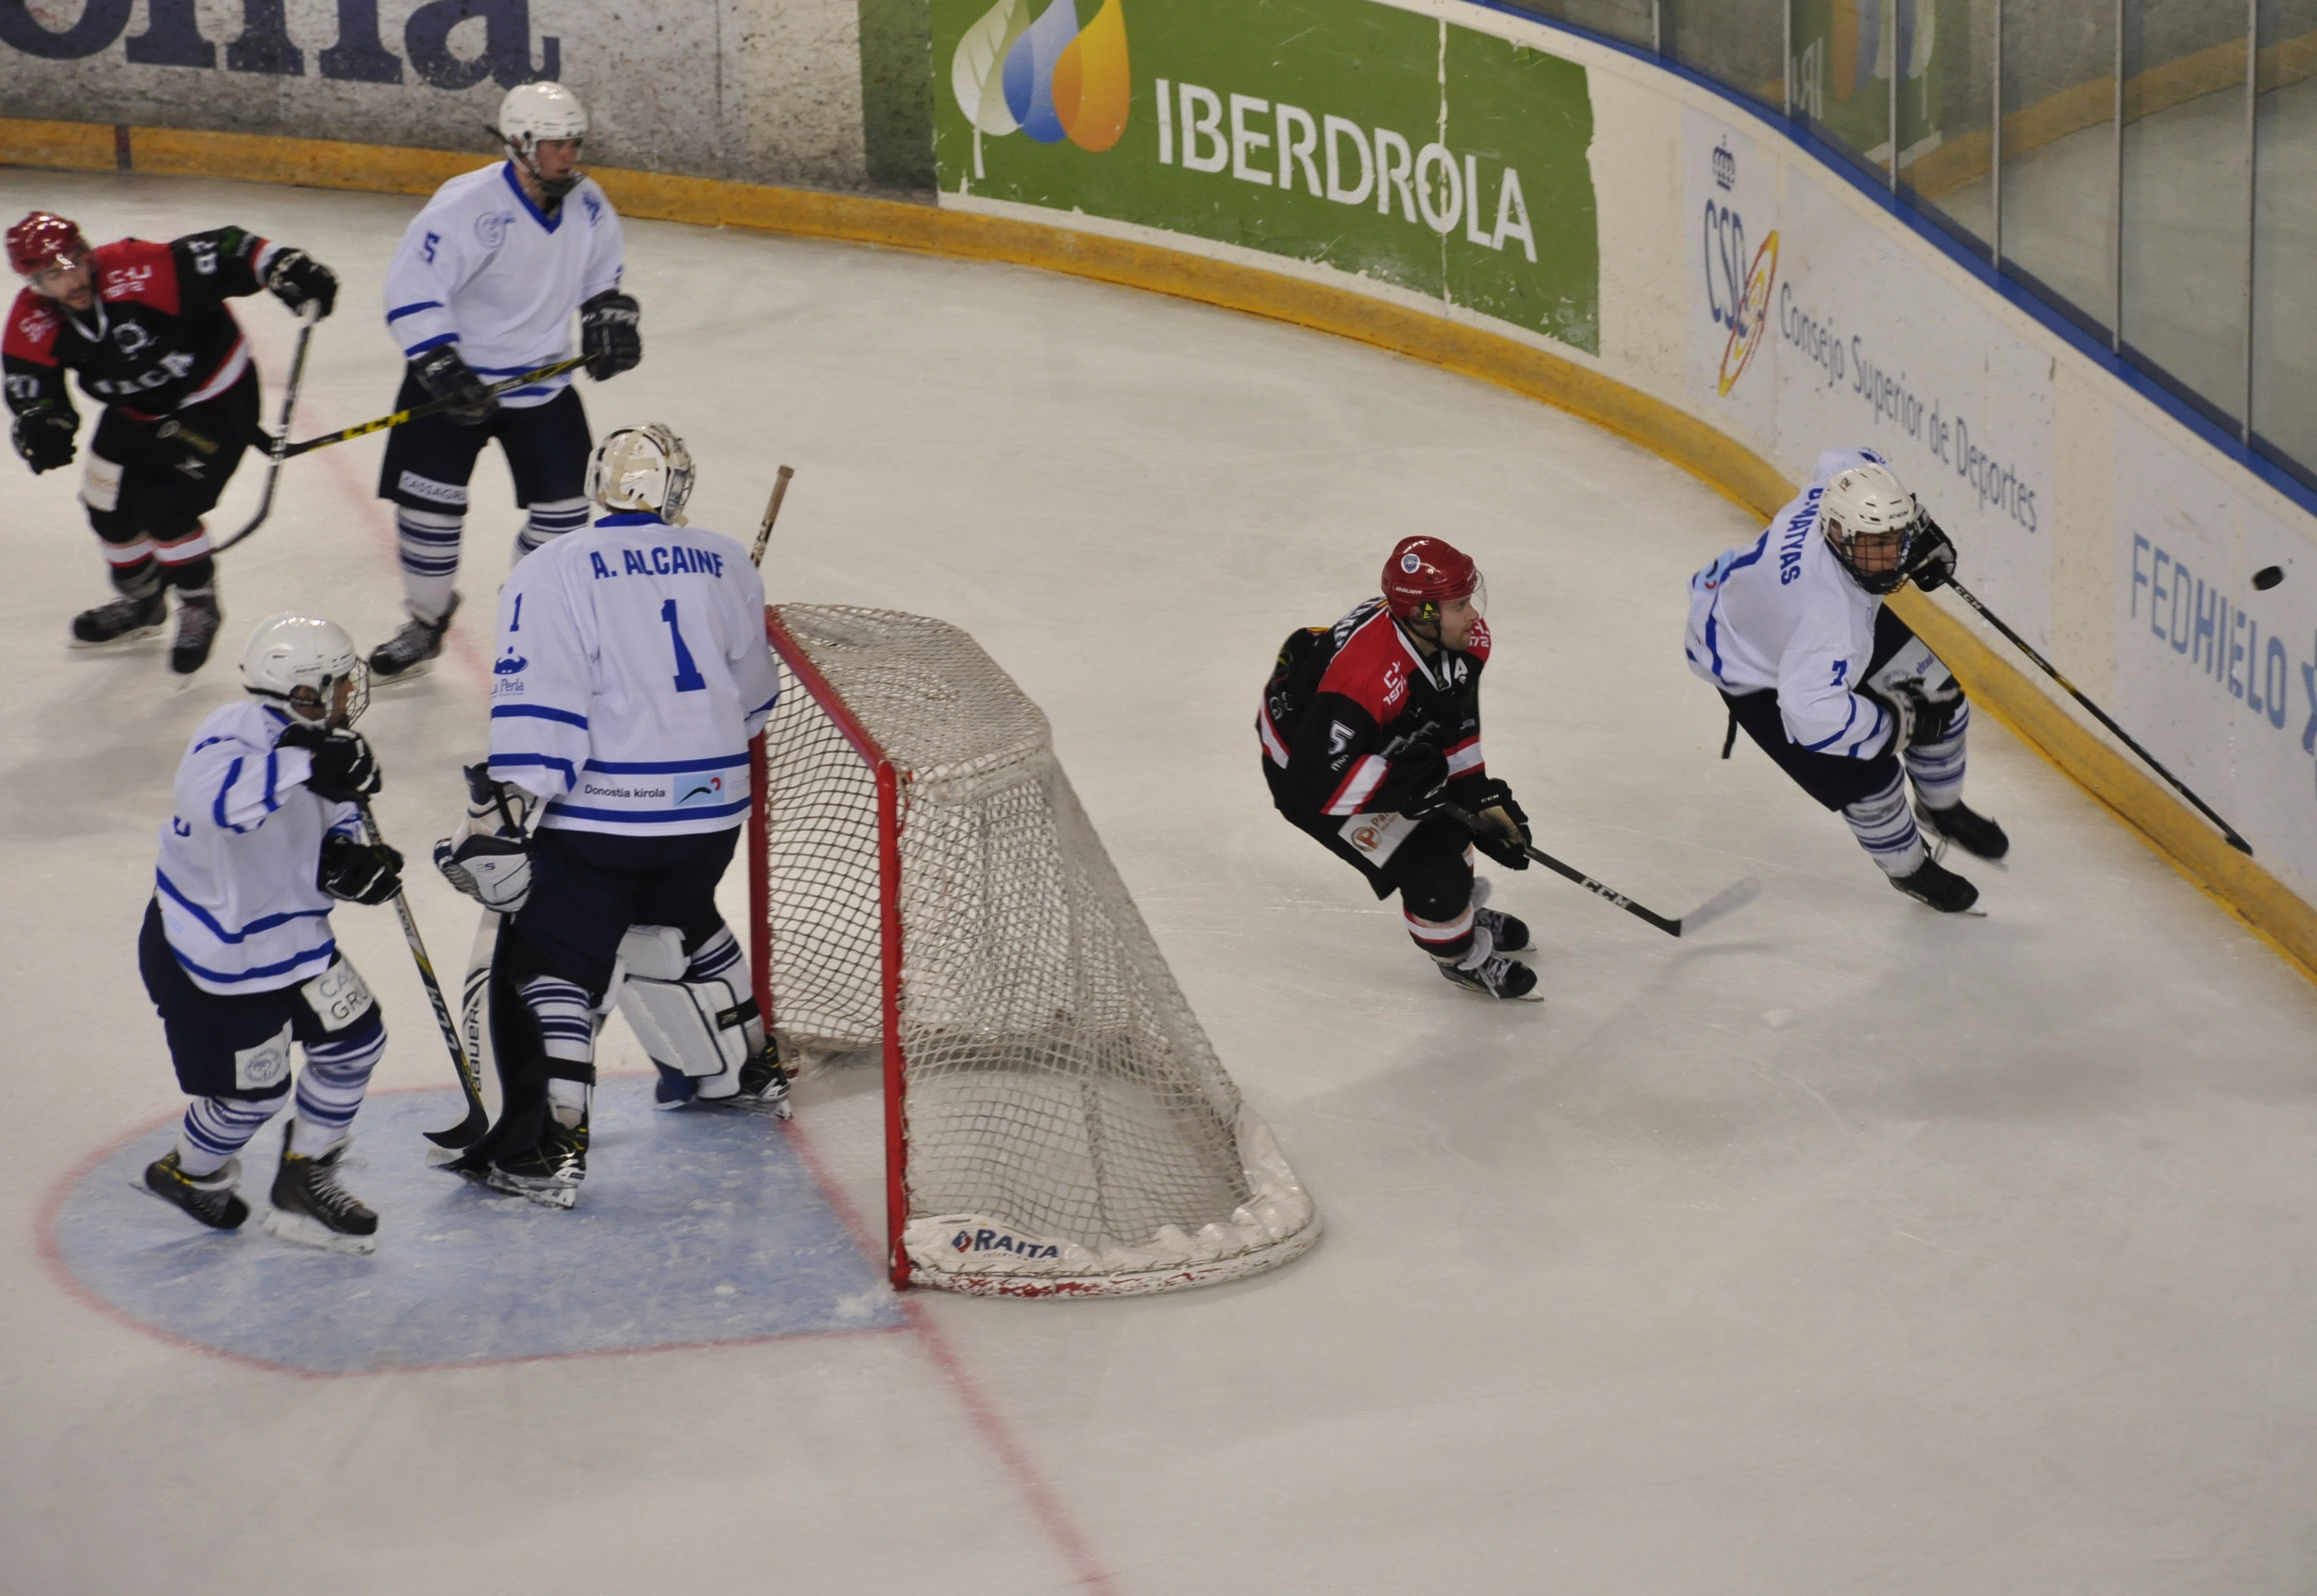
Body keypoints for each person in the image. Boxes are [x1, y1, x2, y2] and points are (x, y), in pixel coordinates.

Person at [433, 423, 786, 1210]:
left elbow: (541, 707)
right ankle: (743, 1071)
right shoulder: (727, 561)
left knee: (549, 958)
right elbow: (756, 702)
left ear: (599, 484)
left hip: (602, 819)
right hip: (711, 812)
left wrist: (506, 814)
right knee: (676, 919)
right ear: (676, 490)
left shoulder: (552, 568)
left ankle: (548, 1146)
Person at [138, 614, 401, 1252]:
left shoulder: (326, 739)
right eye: (338, 685)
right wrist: (307, 760)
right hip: (210, 954)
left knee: (356, 1041)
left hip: (293, 940)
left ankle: (304, 1178)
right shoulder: (234, 732)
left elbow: (338, 810)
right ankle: (187, 1172)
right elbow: (217, 805)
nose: (349, 696)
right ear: (302, 691)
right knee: (251, 1099)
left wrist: (348, 859)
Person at [368, 80, 642, 681]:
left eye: (574, 142)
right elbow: (411, 289)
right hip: (451, 384)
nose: (568, 155)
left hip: (541, 387)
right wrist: (439, 365)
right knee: (428, 513)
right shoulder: (466, 206)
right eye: (554, 145)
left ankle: (529, 618)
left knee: (566, 520)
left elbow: (602, 277)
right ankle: (427, 620)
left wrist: (609, 321)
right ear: (520, 144)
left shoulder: (590, 203)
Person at [2, 211, 338, 674]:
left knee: (165, 508)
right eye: (55, 274)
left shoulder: (137, 268)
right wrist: (42, 421)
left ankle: (199, 604)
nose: (75, 279)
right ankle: (143, 603)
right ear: (34, 282)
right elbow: (30, 385)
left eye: (77, 261)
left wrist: (281, 265)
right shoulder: (31, 320)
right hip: (135, 411)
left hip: (214, 403)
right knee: (106, 507)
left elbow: (228, 248)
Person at [1684, 448, 2007, 912]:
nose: (1894, 557)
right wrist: (1897, 722)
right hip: (1750, 667)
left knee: (1943, 701)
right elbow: (1809, 714)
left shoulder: (1833, 502)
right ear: (1837, 532)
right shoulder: (1832, 624)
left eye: (1898, 538)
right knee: (1870, 784)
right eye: (1877, 545)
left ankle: (1940, 808)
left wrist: (1922, 534)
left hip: (1780, 622)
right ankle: (1909, 869)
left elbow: (1844, 458)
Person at [1260, 536, 1541, 1000]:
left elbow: (1456, 720)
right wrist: (1400, 785)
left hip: (1367, 738)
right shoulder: (1366, 677)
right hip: (1306, 760)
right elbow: (1314, 784)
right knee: (1432, 871)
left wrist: (1476, 793)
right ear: (1423, 615)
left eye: (1470, 599)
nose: (1474, 615)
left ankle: (1459, 915)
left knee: (1454, 826)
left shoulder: (1454, 638)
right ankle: (1459, 955)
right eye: (1458, 605)